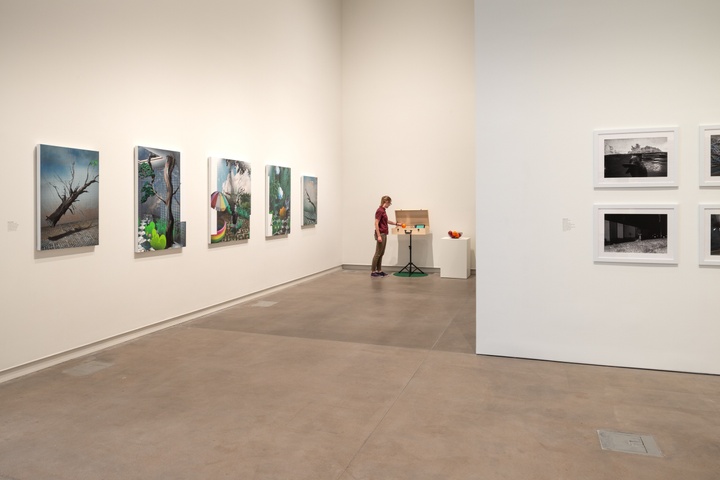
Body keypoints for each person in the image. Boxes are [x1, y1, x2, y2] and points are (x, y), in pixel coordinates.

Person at [371, 195, 400, 277]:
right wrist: (379, 235)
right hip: (381, 234)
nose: (389, 205)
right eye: (389, 203)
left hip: (384, 233)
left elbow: (386, 221)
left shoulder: (383, 210)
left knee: (381, 253)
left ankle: (379, 270)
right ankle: (373, 271)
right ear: (386, 202)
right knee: (378, 253)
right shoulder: (379, 210)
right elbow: (376, 223)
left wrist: (396, 224)